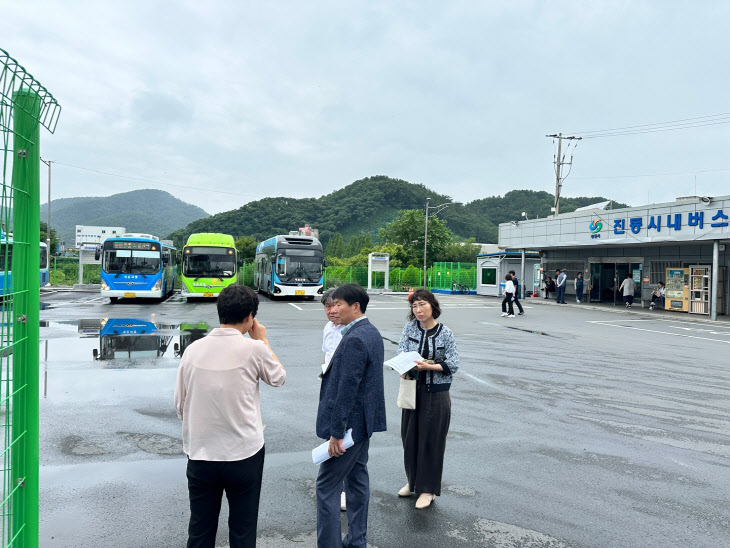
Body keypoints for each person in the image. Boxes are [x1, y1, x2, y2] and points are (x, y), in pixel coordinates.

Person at [175, 285, 286, 548]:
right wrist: (262, 340)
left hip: (201, 453)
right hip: (243, 453)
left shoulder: (193, 350)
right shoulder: (254, 349)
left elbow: (180, 403)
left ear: (219, 312)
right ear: (250, 317)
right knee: (243, 528)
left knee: (200, 528)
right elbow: (279, 377)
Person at [316, 284, 386, 548]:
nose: (334, 309)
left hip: (349, 428)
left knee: (326, 487)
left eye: (339, 304)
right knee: (357, 482)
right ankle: (356, 540)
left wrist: (336, 433)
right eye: (331, 305)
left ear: (355, 306)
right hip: (363, 424)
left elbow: (348, 389)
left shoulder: (355, 338)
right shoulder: (370, 332)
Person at [398, 290, 459, 509]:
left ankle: (428, 489)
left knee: (432, 441)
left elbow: (453, 363)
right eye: (414, 306)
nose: (418, 310)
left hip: (438, 393)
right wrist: (404, 367)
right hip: (413, 390)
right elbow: (401, 351)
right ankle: (413, 482)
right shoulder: (409, 328)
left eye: (422, 304)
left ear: (433, 305)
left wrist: (429, 366)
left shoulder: (445, 333)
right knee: (410, 438)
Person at [320, 289, 347, 512]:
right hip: (329, 386)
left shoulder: (350, 330)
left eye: (335, 306)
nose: (331, 311)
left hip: (344, 389)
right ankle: (334, 486)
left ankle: (344, 491)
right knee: (330, 436)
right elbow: (326, 354)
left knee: (344, 440)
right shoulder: (328, 328)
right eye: (327, 307)